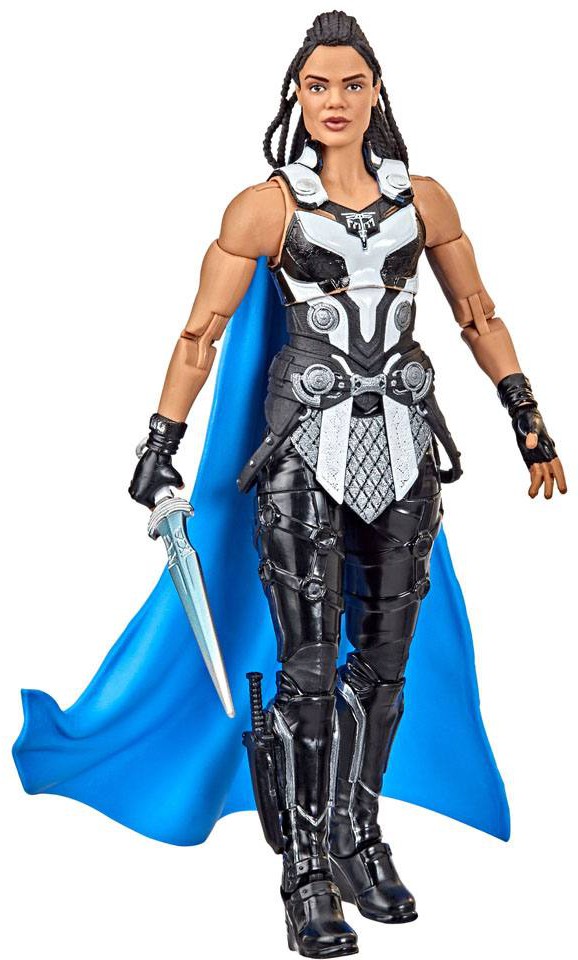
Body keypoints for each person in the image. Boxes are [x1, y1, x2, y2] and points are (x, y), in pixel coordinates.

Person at [13, 11, 566, 960]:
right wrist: (161, 439)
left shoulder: (424, 201)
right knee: (307, 668)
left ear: (376, 92)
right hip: (302, 454)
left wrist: (527, 414)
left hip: (403, 449)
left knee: (383, 665)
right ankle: (303, 867)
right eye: (318, 86)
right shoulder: (265, 208)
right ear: (296, 97)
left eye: (352, 84)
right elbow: (200, 333)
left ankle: (357, 831)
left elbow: (478, 311)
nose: (335, 101)